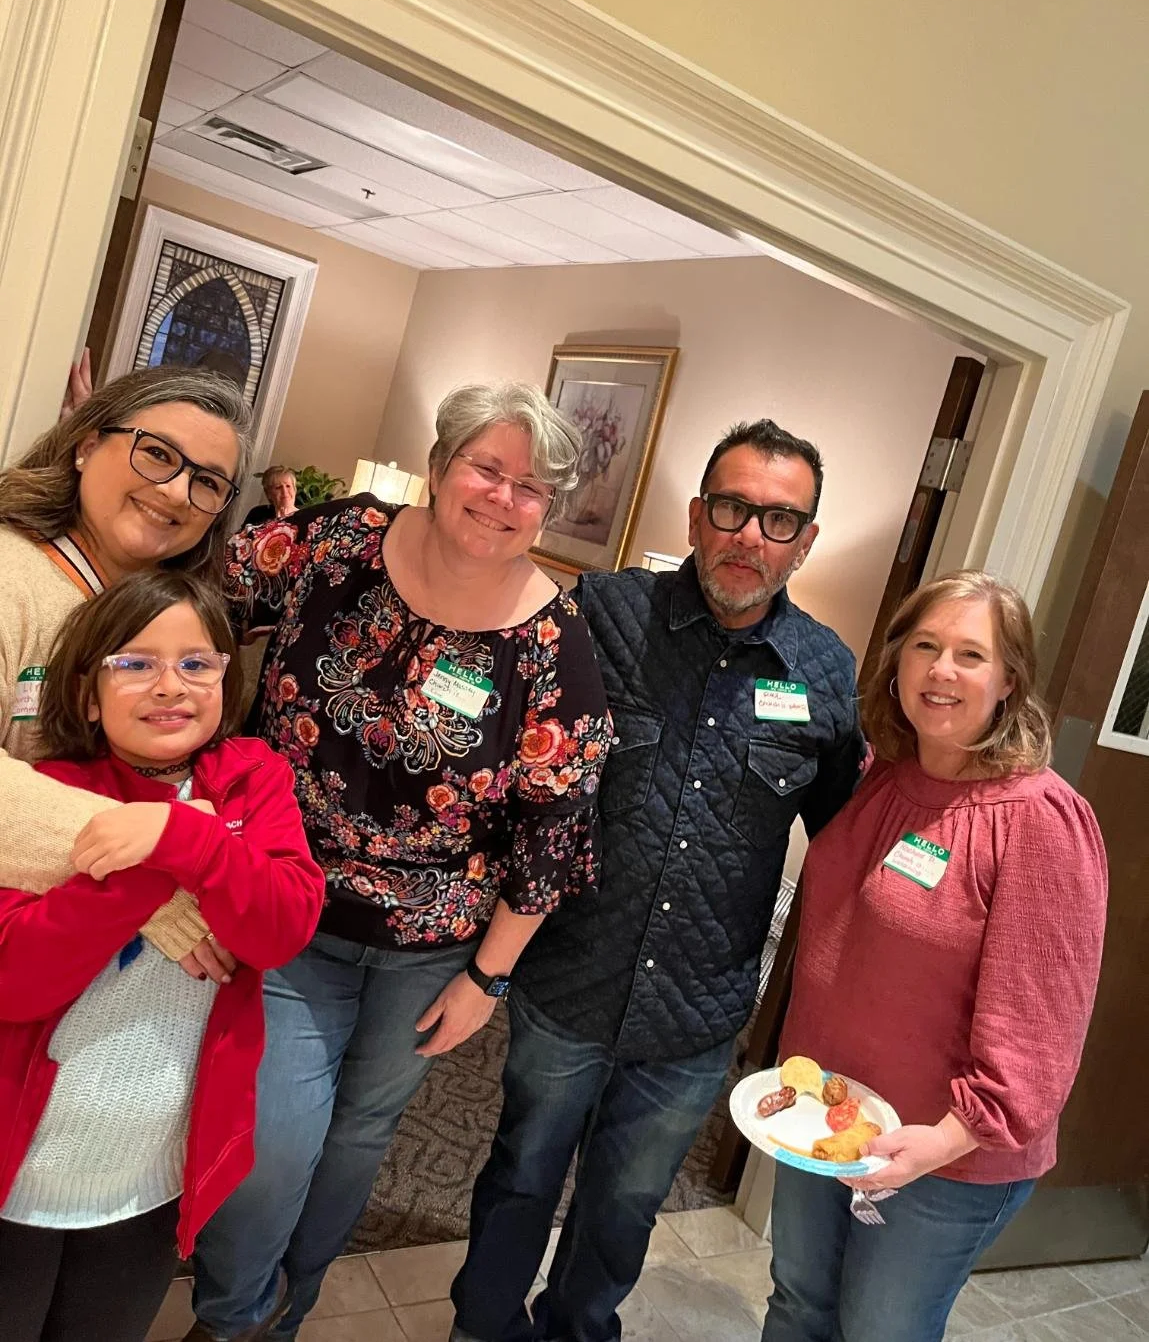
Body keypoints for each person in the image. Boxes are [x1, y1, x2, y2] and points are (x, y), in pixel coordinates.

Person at [184, 381, 613, 1342]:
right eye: (486, 468)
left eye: (532, 487)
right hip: (288, 911)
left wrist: (486, 981)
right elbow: (199, 601)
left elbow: (554, 832)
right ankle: (230, 1319)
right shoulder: (337, 543)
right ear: (438, 465)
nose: (504, 498)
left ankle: (287, 1312)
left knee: (355, 1142)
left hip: (432, 950)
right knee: (275, 1141)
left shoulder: (555, 643)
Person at [452, 418, 866, 1342]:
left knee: (623, 1207)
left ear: (804, 542)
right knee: (520, 1173)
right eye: (731, 507)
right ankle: (480, 1327)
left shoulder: (825, 671)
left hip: (696, 1010)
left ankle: (575, 1330)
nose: (748, 536)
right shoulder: (602, 613)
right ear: (695, 512)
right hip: (569, 977)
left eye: (777, 520)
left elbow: (845, 840)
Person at [760, 571, 1108, 1342]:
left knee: (878, 1329)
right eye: (924, 645)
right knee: (796, 1303)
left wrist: (951, 1135)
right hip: (829, 1112)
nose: (941, 670)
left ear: (1007, 679)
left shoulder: (1039, 820)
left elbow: (1041, 1033)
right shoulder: (885, 778)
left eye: (969, 653)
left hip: (943, 1153)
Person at [0, 571, 324, 1342]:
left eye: (196, 662)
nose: (169, 685)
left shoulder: (252, 780)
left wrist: (185, 836)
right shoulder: (49, 792)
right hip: (17, 1176)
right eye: (135, 663)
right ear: (86, 693)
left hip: (152, 1181)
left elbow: (282, 926)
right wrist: (143, 872)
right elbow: (14, 981)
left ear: (226, 677)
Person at [0, 366, 253, 979]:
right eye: (157, 454)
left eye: (207, 483)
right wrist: (154, 870)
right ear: (87, 442)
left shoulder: (165, 611)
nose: (173, 492)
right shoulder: (12, 578)